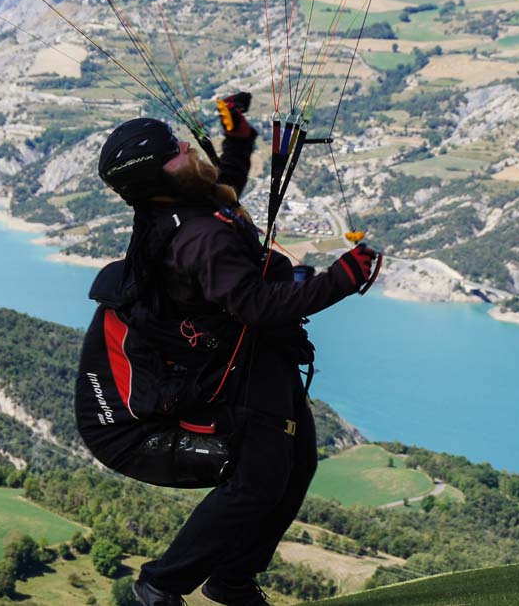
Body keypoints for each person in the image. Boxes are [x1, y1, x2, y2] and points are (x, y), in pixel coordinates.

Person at [96, 97, 378, 606]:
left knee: (297, 465)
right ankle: (161, 585)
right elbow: (257, 306)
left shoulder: (181, 203)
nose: (186, 147)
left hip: (256, 354)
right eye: (174, 150)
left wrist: (240, 139)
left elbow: (221, 184)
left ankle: (232, 580)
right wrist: (342, 278)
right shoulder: (198, 237)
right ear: (157, 177)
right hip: (235, 367)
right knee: (256, 482)